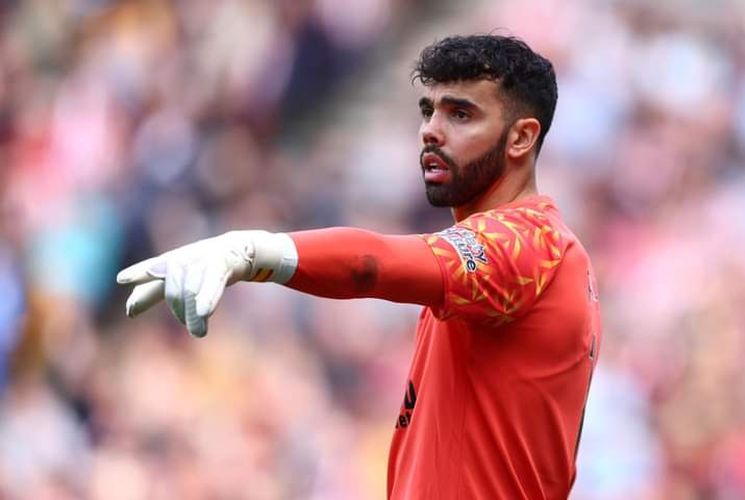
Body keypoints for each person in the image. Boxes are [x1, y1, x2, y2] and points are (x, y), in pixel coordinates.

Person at [117, 34, 601, 499]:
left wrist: (255, 252)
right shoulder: (512, 259)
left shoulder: (529, 243)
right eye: (428, 111)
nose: (431, 130)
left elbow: (370, 265)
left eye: (460, 114)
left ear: (521, 137)